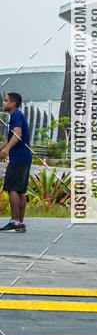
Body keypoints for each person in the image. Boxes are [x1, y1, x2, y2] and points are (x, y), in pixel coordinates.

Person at [0, 92, 33, 232]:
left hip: (18, 158)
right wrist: (3, 147)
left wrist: (6, 149)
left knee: (12, 188)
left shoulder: (15, 116)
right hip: (24, 157)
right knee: (20, 190)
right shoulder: (18, 116)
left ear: (13, 103)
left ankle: (14, 222)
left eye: (6, 100)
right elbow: (11, 139)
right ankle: (19, 222)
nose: (3, 103)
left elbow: (17, 134)